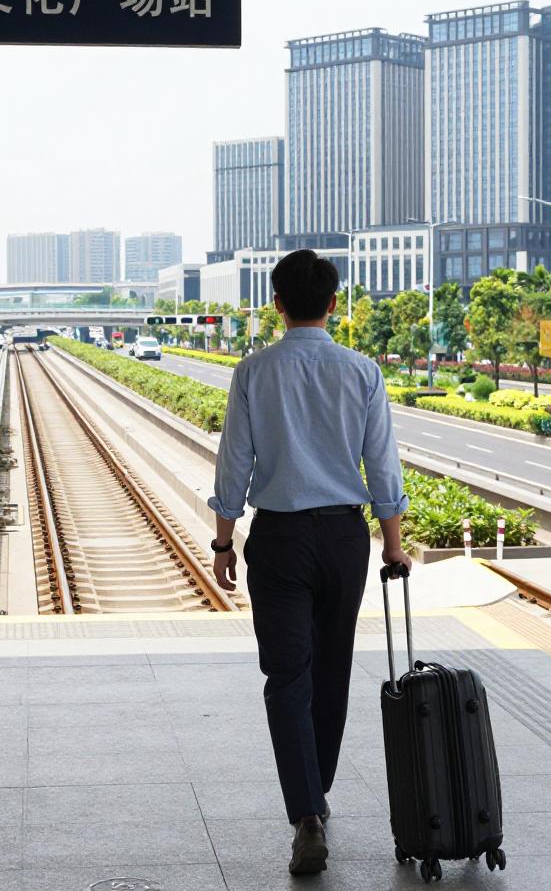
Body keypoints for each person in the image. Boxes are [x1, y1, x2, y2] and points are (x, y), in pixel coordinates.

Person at [208, 249, 411, 876]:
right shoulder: (362, 371)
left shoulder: (253, 372)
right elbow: (383, 465)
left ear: (276, 303)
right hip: (345, 541)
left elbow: (234, 464)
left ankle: (307, 813)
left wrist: (222, 542)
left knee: (286, 679)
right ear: (332, 304)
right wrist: (394, 543)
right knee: (331, 672)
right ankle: (314, 798)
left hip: (280, 540)